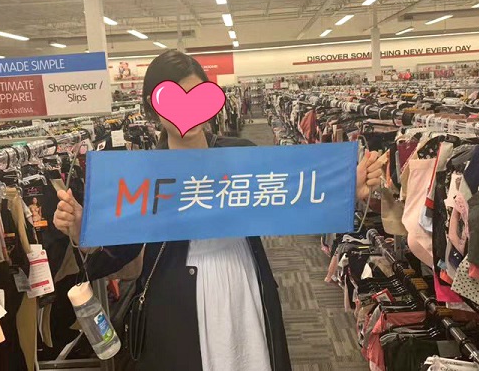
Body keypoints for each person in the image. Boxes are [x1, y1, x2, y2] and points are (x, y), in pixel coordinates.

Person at [54, 50, 382, 371]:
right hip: (174, 297)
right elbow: (121, 250)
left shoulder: (240, 154)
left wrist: (346, 189)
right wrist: (84, 228)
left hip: (241, 281)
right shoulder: (141, 173)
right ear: (153, 109)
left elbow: (291, 198)